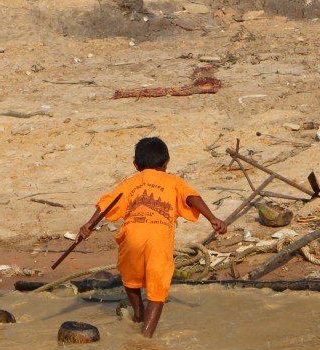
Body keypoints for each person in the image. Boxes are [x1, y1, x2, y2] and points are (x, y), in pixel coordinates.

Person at [78, 137, 227, 338]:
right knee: (157, 288)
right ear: (166, 163)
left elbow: (107, 204)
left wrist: (89, 225)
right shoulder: (173, 181)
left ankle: (139, 314)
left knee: (130, 277)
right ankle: (145, 338)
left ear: (136, 165)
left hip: (132, 237)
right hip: (159, 240)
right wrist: (212, 218)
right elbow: (191, 197)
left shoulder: (130, 183)